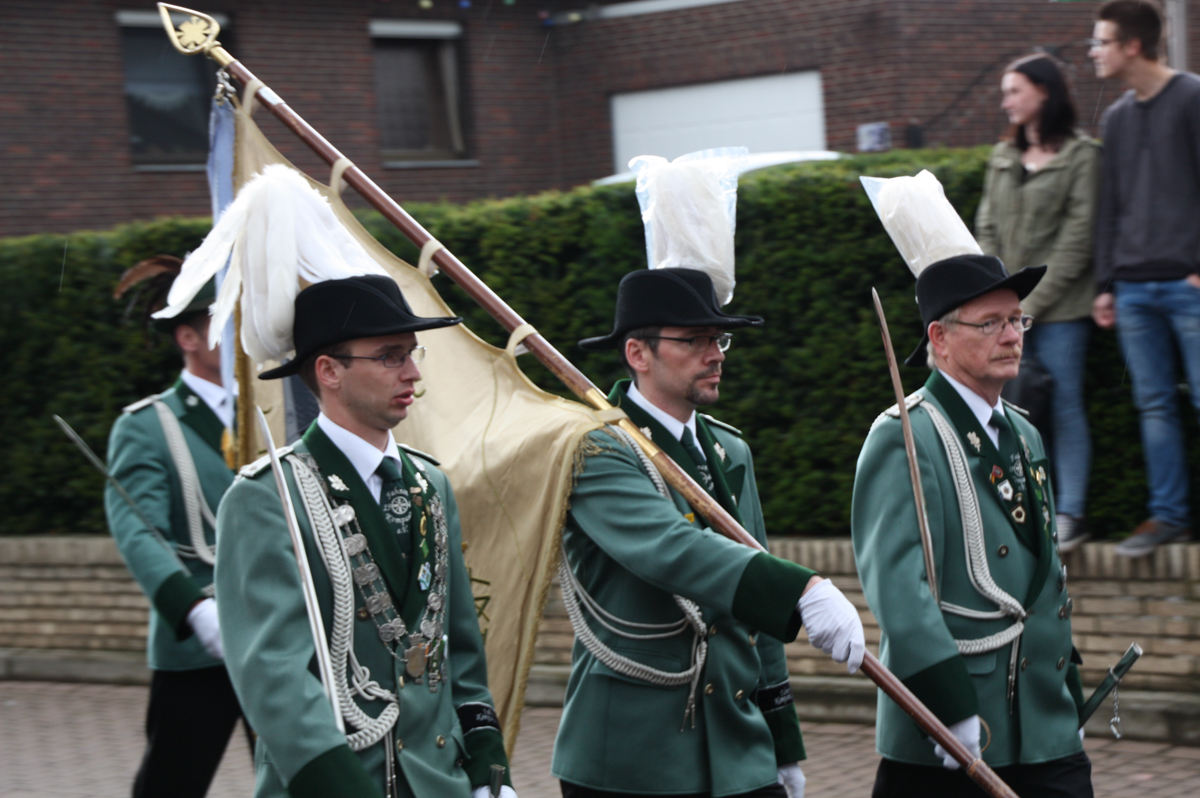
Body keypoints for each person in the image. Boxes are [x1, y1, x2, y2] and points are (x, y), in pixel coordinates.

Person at [552, 267, 866, 798]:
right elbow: (669, 548)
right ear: (637, 354)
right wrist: (802, 588)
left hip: (737, 745)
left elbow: (756, 623)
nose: (716, 353)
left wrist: (782, 740)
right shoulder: (595, 447)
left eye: (718, 338)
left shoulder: (728, 451)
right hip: (633, 759)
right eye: (693, 339)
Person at [215, 274, 515, 798]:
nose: (413, 372)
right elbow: (273, 677)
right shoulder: (267, 498)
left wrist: (490, 769)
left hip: (439, 780)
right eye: (390, 356)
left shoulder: (430, 484)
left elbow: (458, 649)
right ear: (329, 371)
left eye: (412, 352)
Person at [854, 171, 1091, 797]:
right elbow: (898, 590)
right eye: (990, 323)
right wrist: (947, 707)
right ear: (939, 337)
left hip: (1043, 724)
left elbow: (1045, 580)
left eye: (1017, 320)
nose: (1012, 335)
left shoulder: (1024, 432)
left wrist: (1065, 693)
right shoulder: (904, 436)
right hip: (952, 726)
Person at [105, 257, 246, 798]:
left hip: (279, 632)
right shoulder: (145, 426)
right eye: (224, 324)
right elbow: (138, 531)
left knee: (295, 780)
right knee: (172, 785)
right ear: (187, 336)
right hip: (199, 642)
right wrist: (194, 611)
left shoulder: (275, 418)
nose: (240, 337)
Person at [976, 52, 1100, 553]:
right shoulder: (1002, 158)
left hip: (1063, 310)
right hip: (1011, 311)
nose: (1006, 100)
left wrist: (1028, 308)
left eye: (1014, 91)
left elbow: (1077, 241)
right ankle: (1023, 513)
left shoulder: (1081, 155)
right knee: (1007, 412)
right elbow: (985, 226)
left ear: (1044, 92)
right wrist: (999, 300)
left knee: (1065, 408)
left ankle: (1070, 513)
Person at [1090, 0, 1200, 557]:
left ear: (1132, 45)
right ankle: (1168, 517)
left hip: (1188, 285)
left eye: (1101, 42)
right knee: (1153, 405)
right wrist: (1106, 285)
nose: (1094, 52)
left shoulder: (1192, 97)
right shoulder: (1116, 118)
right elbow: (1110, 207)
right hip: (1133, 288)